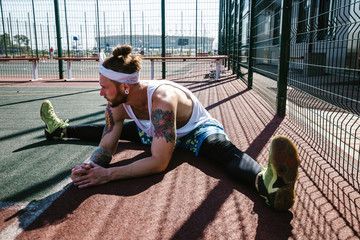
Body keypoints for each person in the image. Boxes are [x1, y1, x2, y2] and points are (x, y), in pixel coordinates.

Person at [40, 44, 300, 211]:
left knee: (221, 150)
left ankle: (268, 184)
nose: (100, 92)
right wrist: (93, 166)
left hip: (194, 129)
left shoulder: (162, 101)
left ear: (125, 87)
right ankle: (60, 129)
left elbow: (158, 162)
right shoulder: (117, 103)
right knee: (110, 127)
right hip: (154, 129)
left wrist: (107, 175)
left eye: (104, 86)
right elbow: (107, 144)